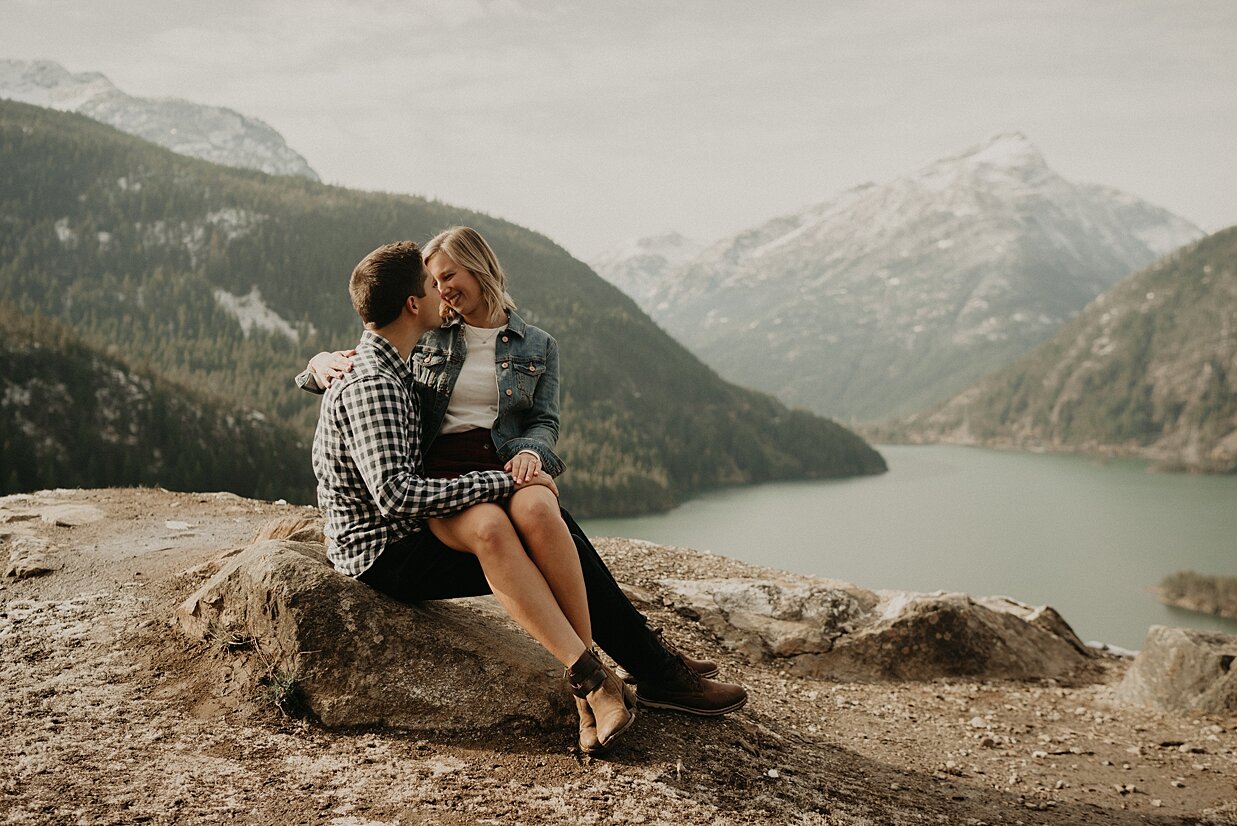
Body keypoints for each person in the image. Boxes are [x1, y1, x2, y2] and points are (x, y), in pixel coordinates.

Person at [304, 236, 747, 754]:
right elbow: (393, 475)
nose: (442, 289)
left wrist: (530, 459)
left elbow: (542, 419)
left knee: (546, 520)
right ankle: (630, 675)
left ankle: (623, 674)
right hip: (425, 502)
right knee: (542, 541)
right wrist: (316, 365)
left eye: (449, 275)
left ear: (479, 269)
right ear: (414, 300)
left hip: (488, 468)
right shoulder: (415, 347)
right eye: (433, 280)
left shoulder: (527, 344)